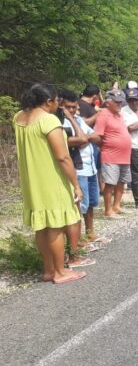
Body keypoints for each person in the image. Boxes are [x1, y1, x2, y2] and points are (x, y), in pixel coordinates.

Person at [12, 83, 86, 284]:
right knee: (55, 226)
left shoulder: (19, 118)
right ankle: (60, 272)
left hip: (32, 181)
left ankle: (48, 270)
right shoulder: (49, 121)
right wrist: (75, 184)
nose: (57, 105)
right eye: (56, 101)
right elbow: (63, 157)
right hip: (51, 179)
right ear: (48, 101)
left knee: (42, 228)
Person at [56, 90, 96, 268]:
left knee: (84, 207)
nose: (72, 110)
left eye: (74, 107)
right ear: (60, 106)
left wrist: (78, 125)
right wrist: (72, 119)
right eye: (68, 107)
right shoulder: (59, 124)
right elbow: (81, 139)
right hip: (73, 169)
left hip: (84, 166)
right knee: (75, 210)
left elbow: (91, 137)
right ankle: (73, 249)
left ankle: (80, 241)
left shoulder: (78, 119)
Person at [90, 91, 132, 218]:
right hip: (110, 155)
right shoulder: (104, 114)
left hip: (124, 155)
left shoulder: (119, 114)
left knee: (121, 182)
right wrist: (105, 146)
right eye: (116, 101)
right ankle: (108, 210)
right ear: (108, 102)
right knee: (110, 183)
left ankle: (117, 206)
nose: (119, 104)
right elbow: (97, 135)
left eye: (121, 101)